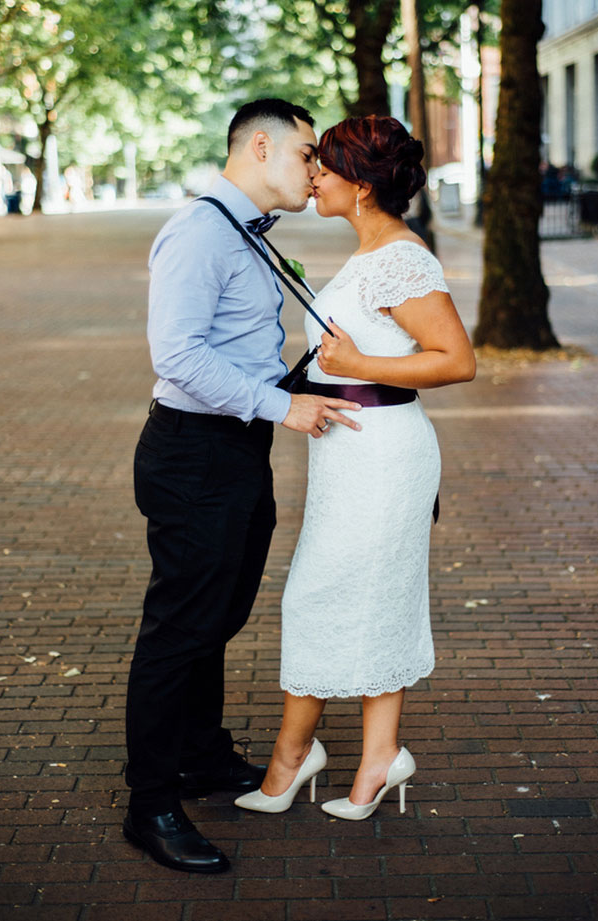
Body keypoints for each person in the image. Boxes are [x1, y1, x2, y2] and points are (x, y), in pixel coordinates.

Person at [124, 99, 362, 873]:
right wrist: (282, 404)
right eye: (306, 154)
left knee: (217, 613)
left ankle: (200, 754)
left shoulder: (245, 234)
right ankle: (152, 803)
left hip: (233, 448)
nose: (316, 170)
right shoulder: (199, 232)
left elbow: (238, 347)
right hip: (195, 452)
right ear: (261, 147)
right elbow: (179, 356)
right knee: (180, 625)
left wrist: (305, 372)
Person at [234, 115, 476, 820]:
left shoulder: (401, 258)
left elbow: (457, 360)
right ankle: (378, 757)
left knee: (319, 594)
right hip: (349, 452)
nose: (313, 177)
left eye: (325, 168)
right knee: (372, 595)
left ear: (362, 185)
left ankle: (293, 758)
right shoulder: (370, 252)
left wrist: (354, 364)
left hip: (383, 455)